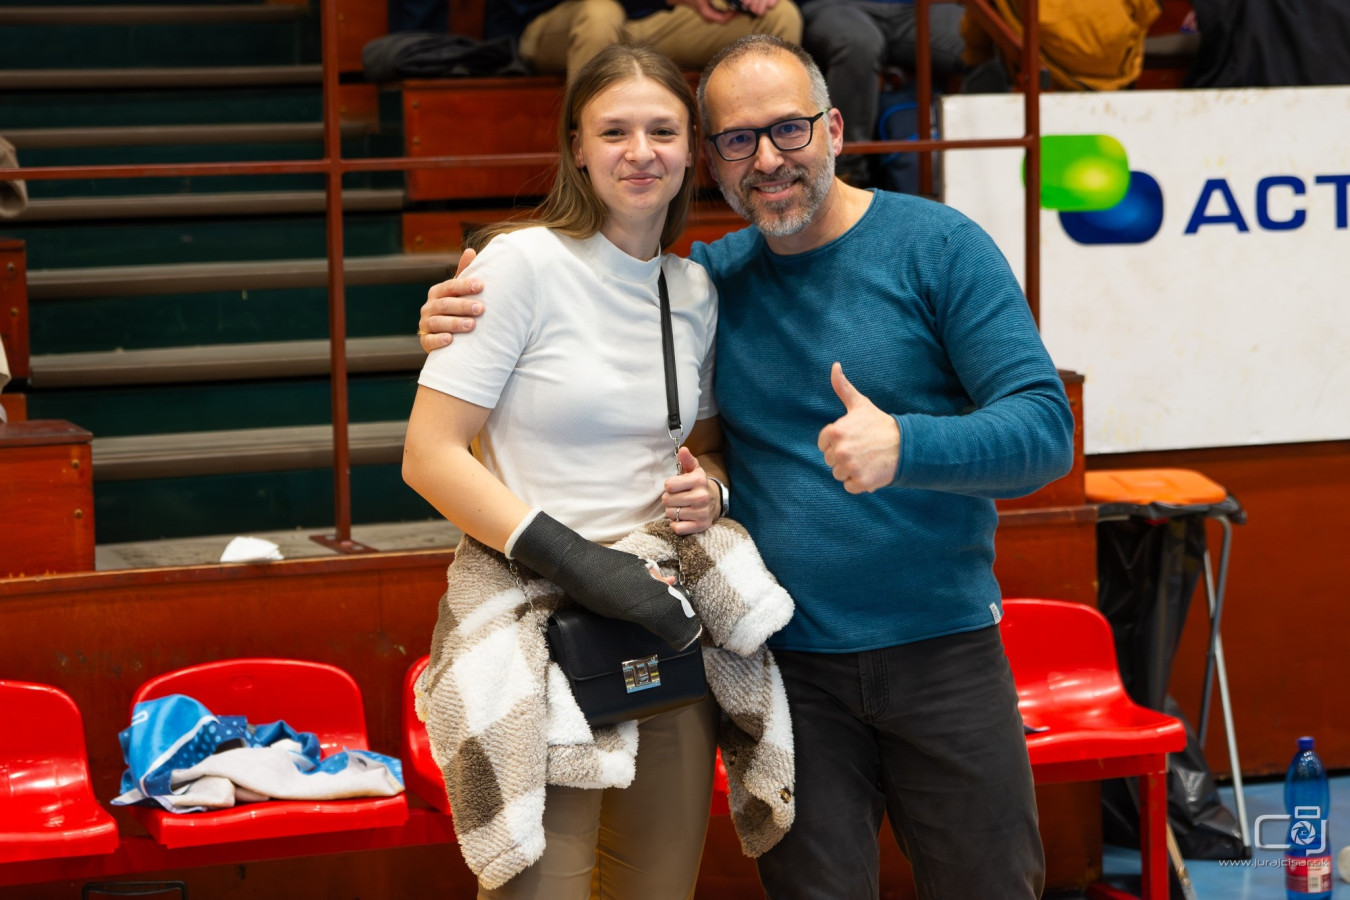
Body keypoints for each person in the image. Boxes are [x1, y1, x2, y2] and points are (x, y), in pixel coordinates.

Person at [419, 34, 1074, 900]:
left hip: (941, 651)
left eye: (789, 129)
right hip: (792, 665)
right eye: (737, 139)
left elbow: (1045, 432)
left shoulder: (938, 246)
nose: (767, 159)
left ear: (834, 127)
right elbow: (613, 367)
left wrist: (908, 445)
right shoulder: (712, 279)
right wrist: (452, 317)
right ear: (713, 158)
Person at [403, 44, 729, 900]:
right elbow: (429, 455)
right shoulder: (517, 264)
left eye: (662, 131)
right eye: (613, 131)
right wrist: (582, 564)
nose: (640, 151)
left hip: (660, 616)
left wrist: (713, 489)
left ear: (691, 149)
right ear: (577, 147)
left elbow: (703, 446)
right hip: (540, 622)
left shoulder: (695, 290)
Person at [796, 0, 968, 186]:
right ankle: (845, 172)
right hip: (835, 5)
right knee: (859, 44)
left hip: (923, 6)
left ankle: (977, 164)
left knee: (982, 43)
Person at [486, 0, 802, 83]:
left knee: (778, 15)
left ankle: (764, 157)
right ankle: (586, 184)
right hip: (553, 21)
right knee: (600, 14)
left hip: (659, 19)